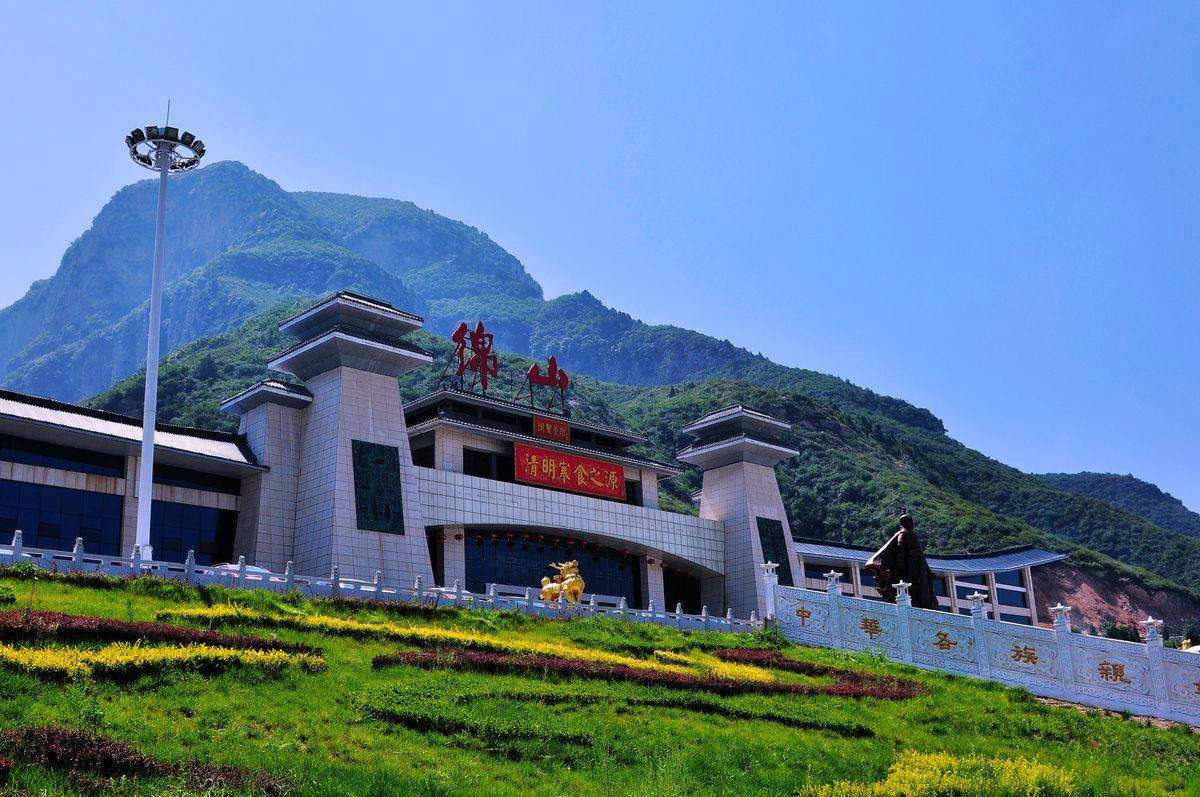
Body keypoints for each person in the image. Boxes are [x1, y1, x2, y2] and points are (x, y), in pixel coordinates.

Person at [864, 512, 939, 610]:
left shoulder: (912, 534)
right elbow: (900, 552)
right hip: (910, 566)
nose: (911, 524)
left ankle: (923, 604)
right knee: (913, 586)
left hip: (918, 565)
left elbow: (921, 555)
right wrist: (902, 566)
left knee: (924, 586)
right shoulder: (902, 534)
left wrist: (928, 571)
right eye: (909, 522)